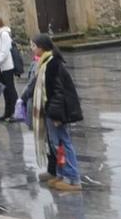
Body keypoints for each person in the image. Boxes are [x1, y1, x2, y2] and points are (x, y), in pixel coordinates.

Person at [32, 33, 83, 193]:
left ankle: (73, 179)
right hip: (50, 111)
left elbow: (58, 92)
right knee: (56, 146)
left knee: (63, 144)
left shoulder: (53, 64)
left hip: (56, 113)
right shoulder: (44, 62)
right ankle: (62, 174)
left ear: (41, 47)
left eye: (33, 45)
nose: (31, 48)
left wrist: (56, 115)